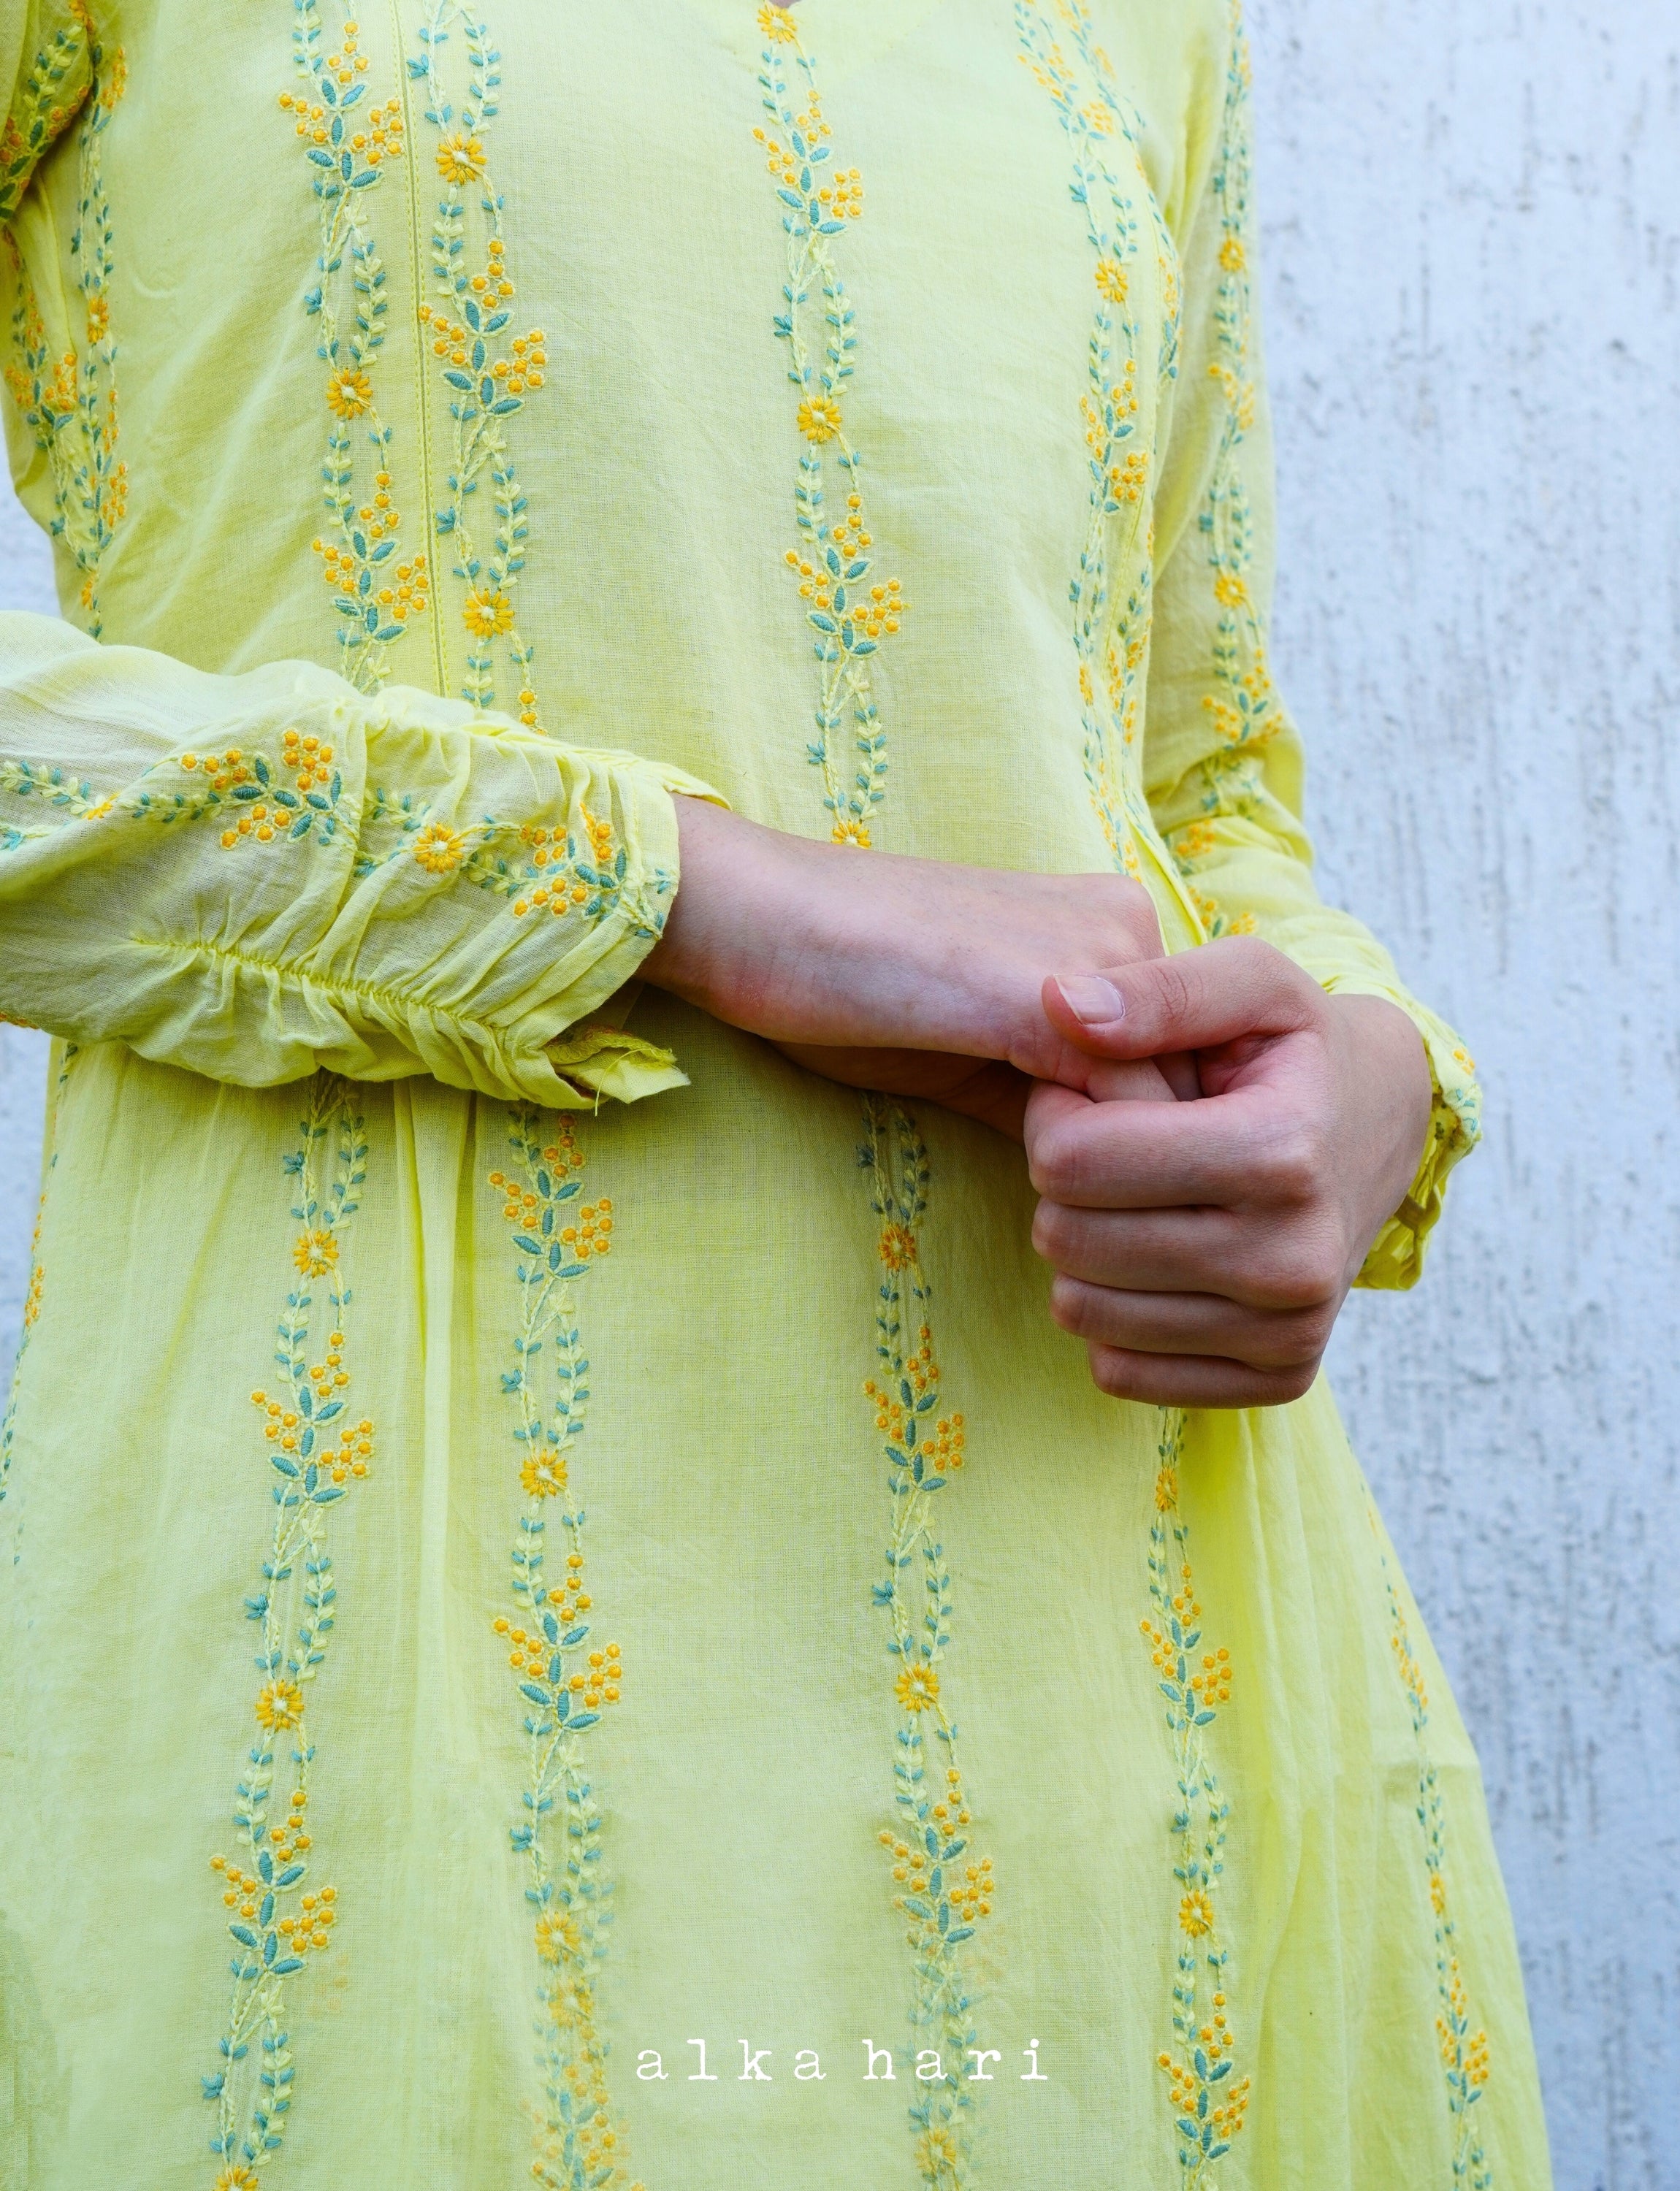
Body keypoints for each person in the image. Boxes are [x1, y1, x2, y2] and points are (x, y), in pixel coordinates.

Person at [0, 1, 1551, 2184]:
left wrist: (1365, 1069)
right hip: (400, 1603)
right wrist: (681, 892)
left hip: (1130, 1639)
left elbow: (1190, 776)